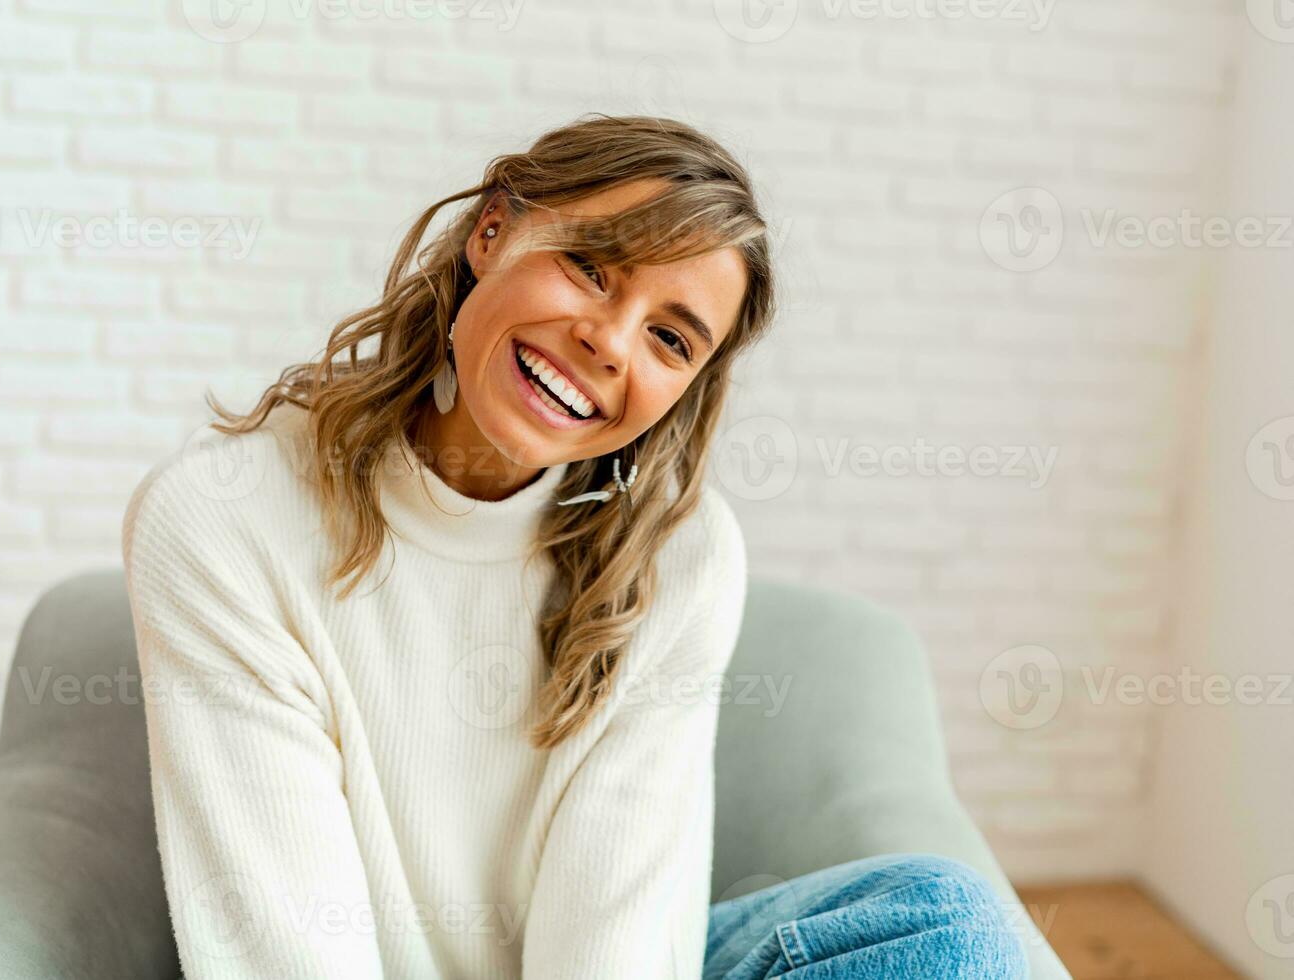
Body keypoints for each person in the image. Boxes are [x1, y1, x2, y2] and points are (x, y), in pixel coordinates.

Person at [121, 112, 1028, 979]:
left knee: (947, 924)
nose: (607, 341)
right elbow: (285, 943)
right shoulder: (223, 518)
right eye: (593, 268)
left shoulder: (681, 554)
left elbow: (621, 930)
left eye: (669, 338)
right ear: (491, 232)